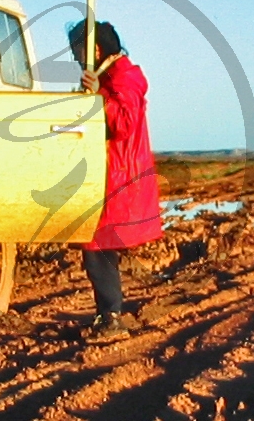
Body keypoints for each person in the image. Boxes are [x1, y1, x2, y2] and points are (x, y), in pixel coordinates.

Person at [68, 20, 163, 342]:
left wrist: (97, 97)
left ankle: (110, 318)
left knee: (97, 247)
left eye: (78, 50)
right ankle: (107, 314)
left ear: (94, 49)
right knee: (98, 247)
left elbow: (123, 123)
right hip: (111, 173)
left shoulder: (124, 77)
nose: (77, 58)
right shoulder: (117, 75)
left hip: (117, 175)